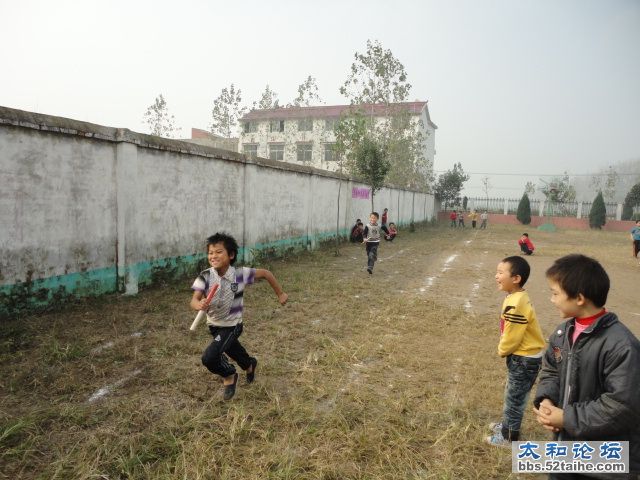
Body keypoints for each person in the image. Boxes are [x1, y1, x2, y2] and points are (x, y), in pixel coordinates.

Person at [533, 254, 640, 479]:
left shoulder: (621, 345)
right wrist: (546, 400)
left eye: (555, 293)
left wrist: (566, 418)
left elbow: (622, 405)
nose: (551, 299)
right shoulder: (562, 334)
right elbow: (551, 370)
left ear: (579, 298)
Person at [190, 233, 288, 400]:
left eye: (218, 252)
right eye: (210, 252)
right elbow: (194, 300)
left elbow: (265, 273)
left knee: (210, 357)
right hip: (214, 324)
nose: (213, 256)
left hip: (233, 324)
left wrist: (280, 294)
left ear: (231, 255)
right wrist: (198, 304)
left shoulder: (240, 274)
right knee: (232, 350)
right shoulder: (205, 275)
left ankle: (229, 375)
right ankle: (249, 365)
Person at [486, 256, 545, 447]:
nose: (496, 276)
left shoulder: (516, 302)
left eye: (501, 273)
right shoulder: (516, 296)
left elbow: (513, 335)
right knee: (513, 394)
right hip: (523, 357)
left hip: (524, 359)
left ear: (516, 278)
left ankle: (508, 437)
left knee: (514, 399)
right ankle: (507, 426)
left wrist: (502, 349)